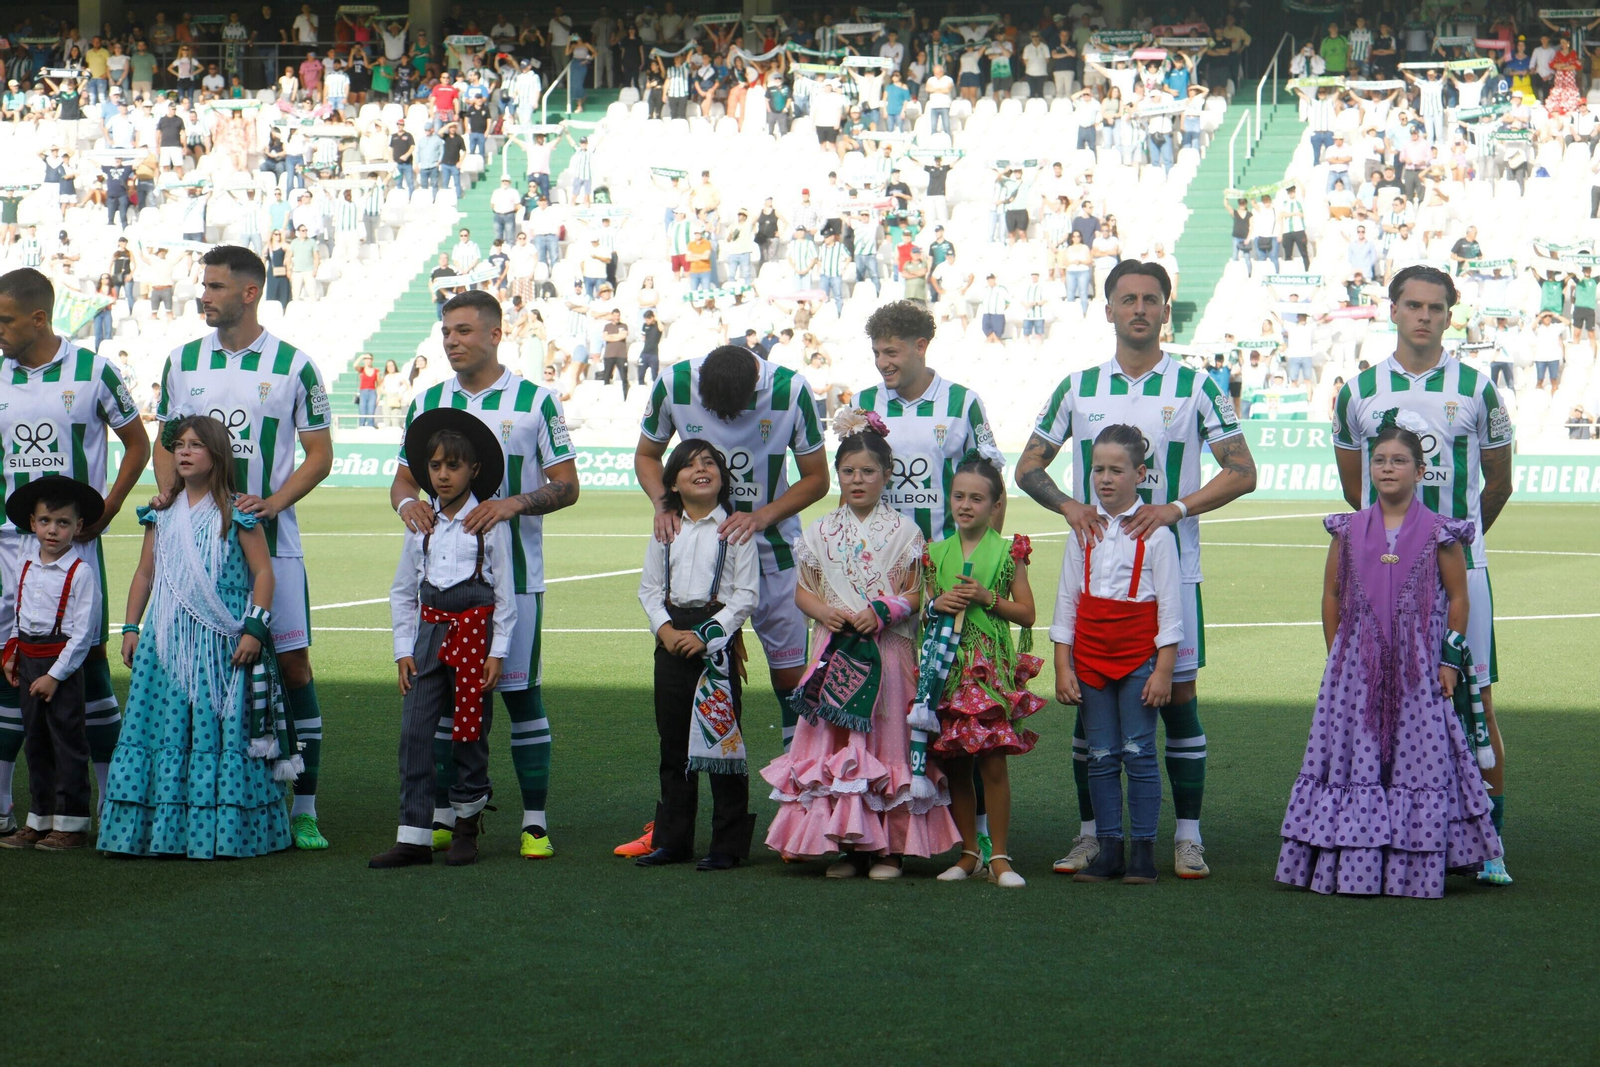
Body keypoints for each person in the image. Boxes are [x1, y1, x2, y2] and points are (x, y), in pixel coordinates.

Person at [1016, 260, 1258, 880]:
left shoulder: (1196, 386)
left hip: (1172, 575)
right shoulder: (1078, 388)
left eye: (1152, 299)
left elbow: (1241, 469)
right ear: (1109, 311)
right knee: (1089, 705)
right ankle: (1092, 834)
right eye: (1128, 299)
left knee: (1177, 700)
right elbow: (1029, 466)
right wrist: (1071, 507)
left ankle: (1187, 836)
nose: (1140, 309)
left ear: (1165, 311)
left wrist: (1175, 508)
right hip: (1096, 576)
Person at [1331, 264, 1515, 885]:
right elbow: (1355, 484)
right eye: (1413, 305)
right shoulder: (1358, 391)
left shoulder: (1479, 388)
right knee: (1379, 701)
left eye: (1436, 308)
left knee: (1473, 696)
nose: (1424, 317)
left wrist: (1453, 541)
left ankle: (1489, 845)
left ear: (1449, 315)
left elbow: (1500, 481)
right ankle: (1387, 835)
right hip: (1378, 573)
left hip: (1458, 568)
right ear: (1393, 310)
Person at [153, 246, 334, 851]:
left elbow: (320, 454)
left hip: (271, 546)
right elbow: (164, 442)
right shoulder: (181, 362)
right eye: (202, 284)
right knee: (197, 670)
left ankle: (303, 806)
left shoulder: (294, 365)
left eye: (214, 286)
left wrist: (274, 504)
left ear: (249, 292)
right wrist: (171, 496)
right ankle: (205, 795)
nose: (203, 295)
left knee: (293, 666)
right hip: (198, 551)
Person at [390, 289, 580, 860]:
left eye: (465, 331)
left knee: (520, 695)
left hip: (514, 579)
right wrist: (407, 507)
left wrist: (512, 504)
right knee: (443, 702)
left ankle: (535, 821)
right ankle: (447, 816)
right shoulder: (426, 402)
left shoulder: (535, 400)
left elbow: (568, 484)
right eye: (447, 331)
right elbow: (402, 480)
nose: (452, 341)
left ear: (496, 334)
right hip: (440, 586)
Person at [1277, 417, 1503, 897]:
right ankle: (1352, 861)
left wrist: (1449, 659)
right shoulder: (1348, 529)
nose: (1387, 468)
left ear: (1420, 471)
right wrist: (1339, 653)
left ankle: (1413, 867)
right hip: (1356, 666)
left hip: (1419, 667)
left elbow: (1459, 600)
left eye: (1399, 460)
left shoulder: (1443, 533)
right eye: (1379, 460)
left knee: (1415, 760)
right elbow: (1332, 595)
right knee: (1353, 758)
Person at [619, 344, 830, 857]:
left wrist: (761, 517)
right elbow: (647, 455)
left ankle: (798, 809)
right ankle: (671, 825)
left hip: (771, 553)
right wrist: (663, 503)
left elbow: (818, 478)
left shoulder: (792, 389)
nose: (727, 421)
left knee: (789, 681)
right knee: (680, 704)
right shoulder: (673, 383)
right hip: (693, 540)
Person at [759, 409, 960, 877]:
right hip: (834, 653)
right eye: (848, 471)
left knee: (887, 741)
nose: (857, 480)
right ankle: (851, 847)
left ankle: (888, 849)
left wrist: (883, 610)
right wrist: (823, 612)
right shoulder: (819, 531)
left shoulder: (907, 532)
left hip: (888, 654)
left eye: (868, 471)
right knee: (839, 742)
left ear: (887, 475)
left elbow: (915, 591)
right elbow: (803, 590)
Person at [98, 415, 298, 859]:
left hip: (222, 641)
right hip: (166, 638)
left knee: (220, 733)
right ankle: (160, 833)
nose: (184, 453)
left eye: (195, 445)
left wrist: (255, 628)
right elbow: (145, 572)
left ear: (217, 454)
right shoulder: (160, 511)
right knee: (162, 728)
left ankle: (223, 834)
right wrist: (131, 626)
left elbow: (264, 573)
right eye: (178, 446)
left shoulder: (239, 511)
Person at [0, 269, 149, 843]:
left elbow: (138, 442)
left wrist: (107, 508)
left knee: (85, 670)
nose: (0, 330)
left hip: (74, 550)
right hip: (11, 547)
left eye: (7, 320)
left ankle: (111, 806)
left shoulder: (93, 371)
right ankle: (24, 812)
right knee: (13, 668)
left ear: (39, 318)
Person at [370, 410, 515, 868]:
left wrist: (498, 652)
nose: (443, 475)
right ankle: (413, 835)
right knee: (414, 732)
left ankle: (468, 826)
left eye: (453, 466)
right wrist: (402, 652)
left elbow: (505, 596)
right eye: (435, 467)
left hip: (475, 633)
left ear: (472, 470)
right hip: (428, 635)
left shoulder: (489, 523)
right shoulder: (421, 523)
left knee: (470, 734)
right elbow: (402, 592)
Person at [1051, 424, 1183, 885]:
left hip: (1137, 659)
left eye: (1116, 470)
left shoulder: (1158, 534)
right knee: (1102, 755)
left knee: (1139, 752)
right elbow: (1067, 600)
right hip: (1089, 658)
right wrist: (1063, 665)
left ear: (1140, 473)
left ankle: (1143, 852)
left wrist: (1163, 668)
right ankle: (1109, 850)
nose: (1105, 478)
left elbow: (1170, 605)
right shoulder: (1082, 529)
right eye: (1098, 470)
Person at [633, 439, 759, 870]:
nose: (700, 469)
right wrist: (666, 630)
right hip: (670, 644)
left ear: (722, 478)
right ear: (672, 482)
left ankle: (728, 845)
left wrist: (706, 635)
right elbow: (649, 589)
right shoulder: (667, 528)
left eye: (709, 463)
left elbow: (745, 596)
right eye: (688, 465)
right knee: (673, 744)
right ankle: (673, 839)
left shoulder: (737, 530)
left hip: (716, 649)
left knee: (724, 745)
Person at [926, 456, 1041, 888]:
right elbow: (923, 612)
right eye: (959, 496)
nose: (966, 505)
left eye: (977, 498)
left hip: (990, 671)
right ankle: (969, 852)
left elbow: (1027, 614)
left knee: (992, 764)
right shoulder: (935, 553)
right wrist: (936, 605)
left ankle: (1001, 857)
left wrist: (986, 597)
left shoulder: (1009, 551)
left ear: (995, 505)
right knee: (956, 764)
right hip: (948, 668)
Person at [0, 478, 103, 850]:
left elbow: (81, 636)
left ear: (78, 527)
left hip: (61, 668)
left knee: (67, 742)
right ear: (32, 523)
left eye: (62, 523)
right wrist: (12, 652)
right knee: (36, 742)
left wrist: (55, 676)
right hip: (27, 660)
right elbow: (19, 613)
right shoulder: (26, 565)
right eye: (46, 521)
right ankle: (39, 821)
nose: (53, 530)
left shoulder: (81, 574)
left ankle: (72, 824)